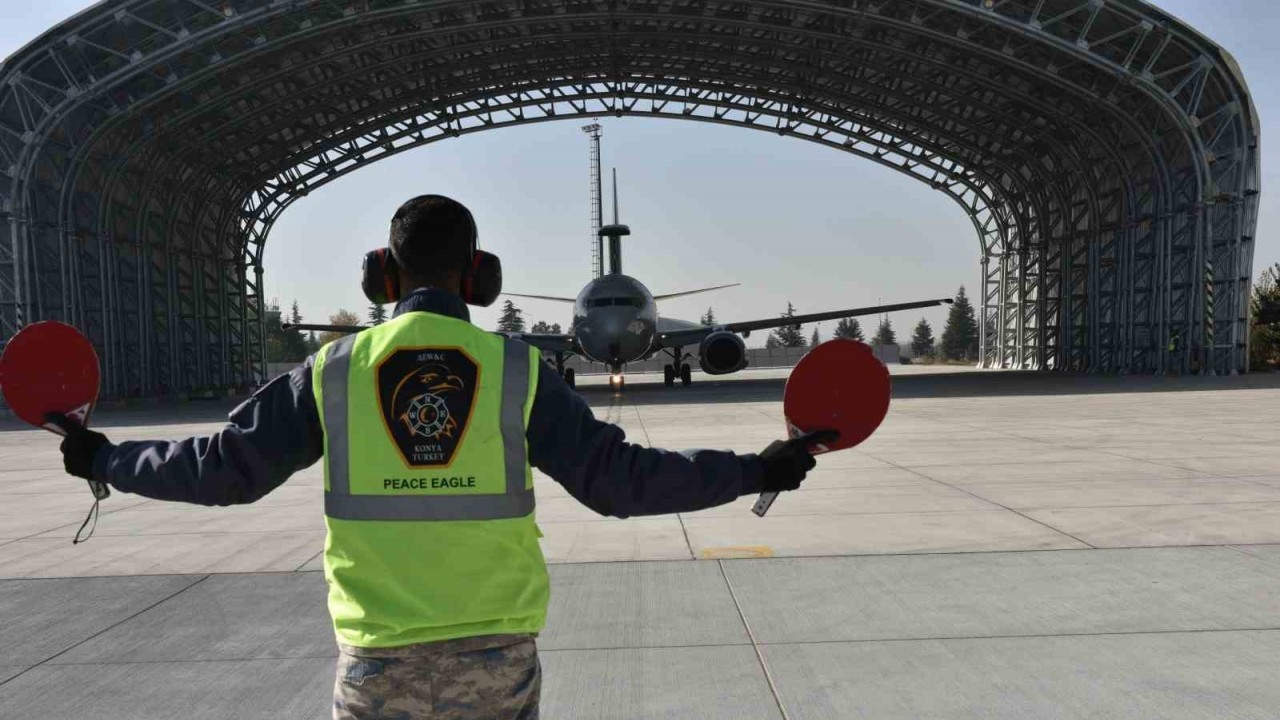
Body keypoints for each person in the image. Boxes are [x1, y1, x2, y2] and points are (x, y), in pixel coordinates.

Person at [51, 195, 830, 720]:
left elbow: (221, 469)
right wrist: (755, 469)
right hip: (497, 662)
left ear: (382, 276)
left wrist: (107, 459)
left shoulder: (331, 372)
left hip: (377, 664)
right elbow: (621, 482)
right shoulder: (517, 369)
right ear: (478, 276)